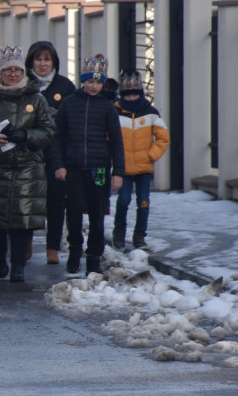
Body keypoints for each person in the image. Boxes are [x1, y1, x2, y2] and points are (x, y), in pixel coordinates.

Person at [0, 46, 57, 282]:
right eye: (7, 70)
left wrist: (27, 136)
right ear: (0, 72)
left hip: (27, 167)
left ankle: (18, 265)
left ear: (23, 72)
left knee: (23, 219)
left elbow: (49, 130)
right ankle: (0, 256)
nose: (12, 74)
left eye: (16, 70)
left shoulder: (36, 98)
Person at [49, 54, 125, 275]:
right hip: (73, 168)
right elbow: (58, 137)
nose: (94, 86)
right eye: (90, 81)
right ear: (83, 81)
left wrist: (118, 171)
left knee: (97, 214)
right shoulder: (69, 103)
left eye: (98, 82)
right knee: (73, 212)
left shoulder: (108, 107)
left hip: (99, 168)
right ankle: (75, 249)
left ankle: (94, 256)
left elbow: (117, 141)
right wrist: (59, 165)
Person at [25, 41, 76, 265]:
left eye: (47, 59)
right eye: (38, 59)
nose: (43, 64)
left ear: (54, 61)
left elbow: (71, 121)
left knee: (56, 201)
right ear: (31, 62)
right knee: (27, 200)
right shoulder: (23, 84)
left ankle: (52, 247)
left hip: (57, 153)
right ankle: (24, 242)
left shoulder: (65, 86)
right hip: (28, 151)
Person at [112, 69, 170, 251]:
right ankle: (119, 235)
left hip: (144, 168)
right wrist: (115, 159)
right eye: (127, 95)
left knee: (143, 203)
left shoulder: (151, 113)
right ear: (122, 94)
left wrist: (151, 155)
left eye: (134, 94)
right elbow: (108, 137)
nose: (131, 98)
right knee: (123, 201)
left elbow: (163, 138)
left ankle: (139, 237)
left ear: (140, 92)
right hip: (123, 168)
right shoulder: (115, 112)